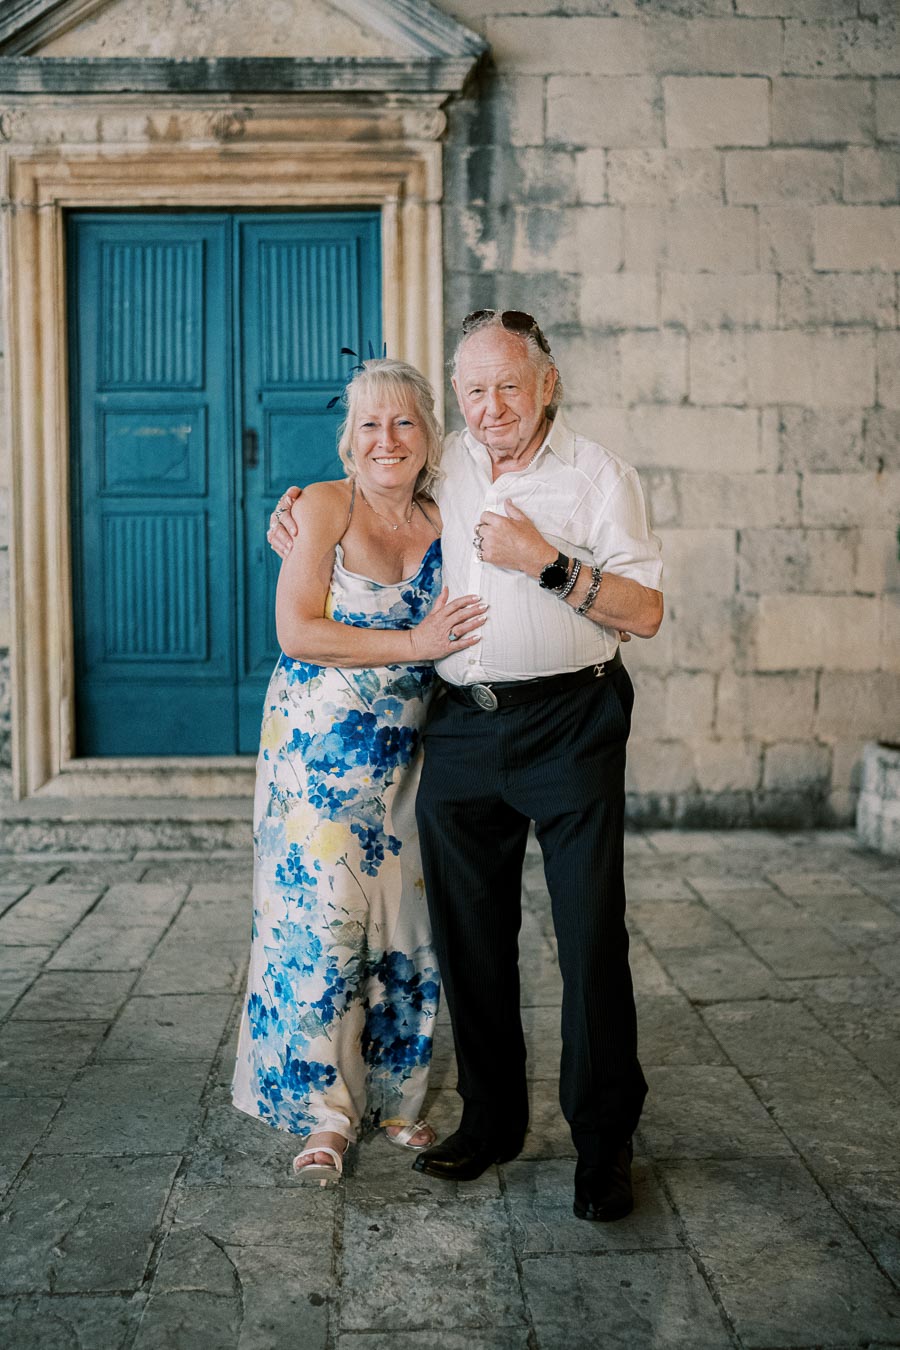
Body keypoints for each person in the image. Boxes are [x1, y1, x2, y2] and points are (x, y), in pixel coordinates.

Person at [268, 311, 663, 1219]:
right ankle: (491, 1121)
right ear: (457, 396)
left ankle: (603, 1144)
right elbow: (370, 479)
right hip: (461, 729)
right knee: (471, 939)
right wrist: (294, 513)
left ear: (547, 386)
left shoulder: (600, 476)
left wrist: (547, 562)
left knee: (590, 937)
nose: (493, 407)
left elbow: (644, 612)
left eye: (509, 386)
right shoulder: (446, 465)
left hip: (571, 722)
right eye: (475, 390)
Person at [233, 358, 486, 1186]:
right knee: (325, 924)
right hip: (320, 756)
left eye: (404, 421)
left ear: (429, 436)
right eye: (370, 424)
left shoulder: (448, 515)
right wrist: (415, 642)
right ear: (349, 440)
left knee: (407, 924)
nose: (387, 438)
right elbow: (298, 631)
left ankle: (398, 1097)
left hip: (414, 751)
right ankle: (328, 1114)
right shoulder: (321, 506)